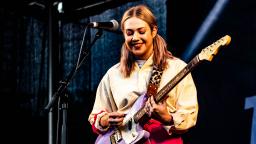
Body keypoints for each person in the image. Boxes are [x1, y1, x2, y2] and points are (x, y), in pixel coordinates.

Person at [88, 4, 198, 144]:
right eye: (129, 33)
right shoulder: (113, 74)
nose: (135, 37)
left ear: (153, 31)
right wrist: (104, 120)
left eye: (141, 31)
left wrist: (167, 118)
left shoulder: (177, 68)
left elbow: (190, 115)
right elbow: (96, 114)